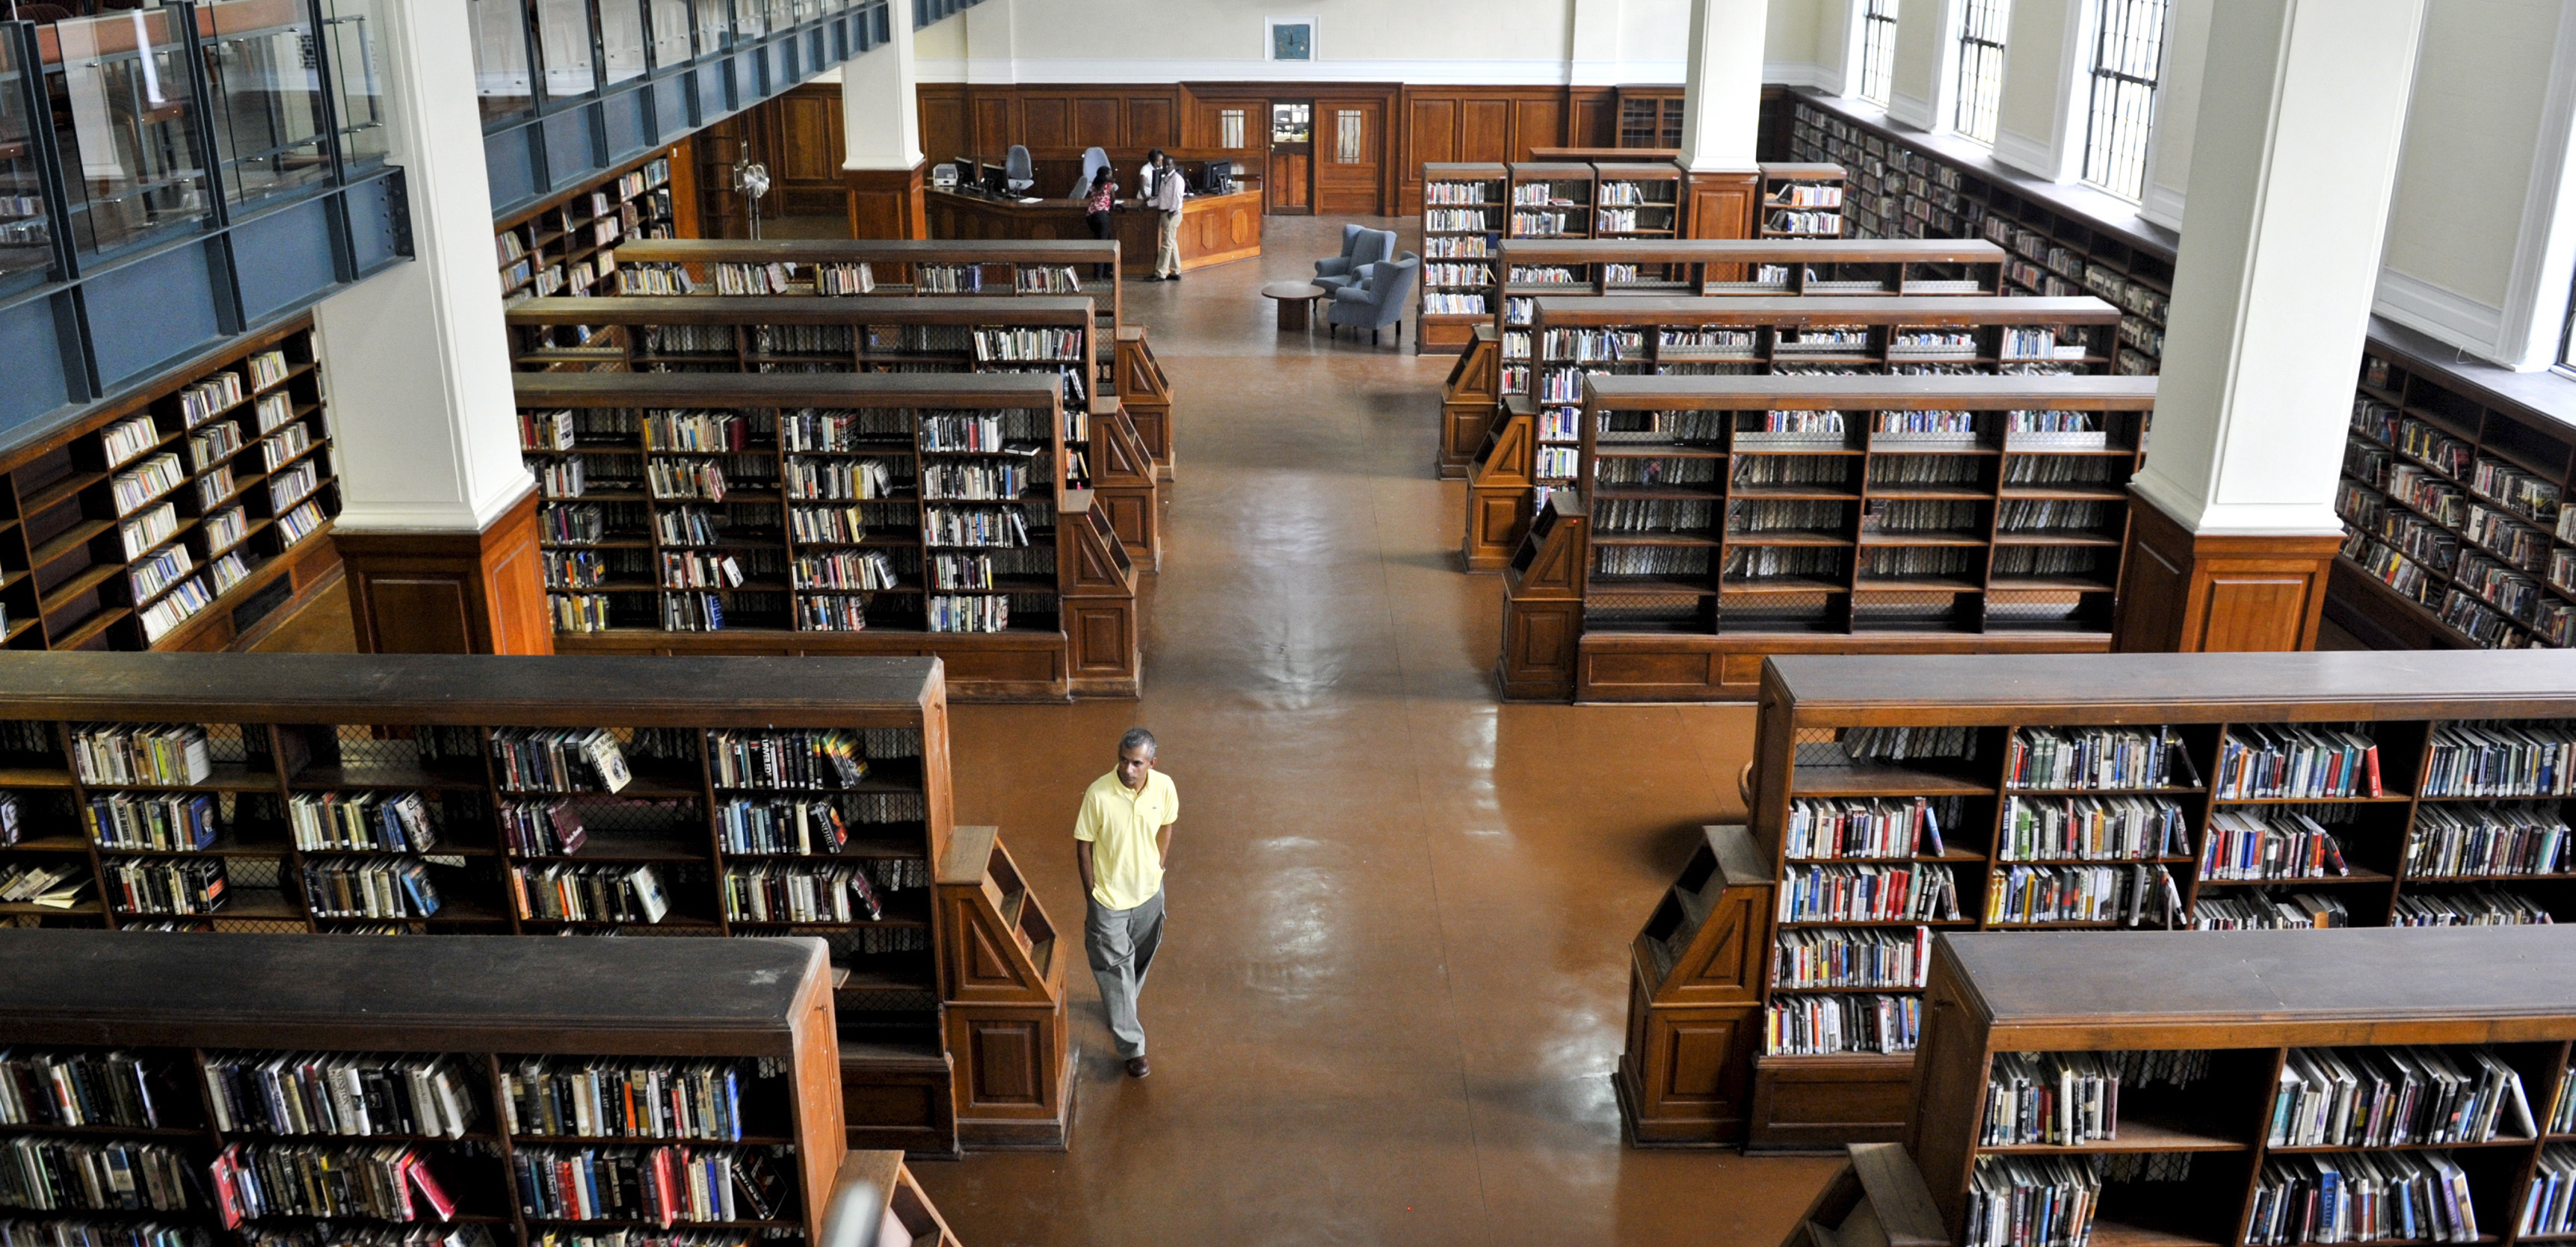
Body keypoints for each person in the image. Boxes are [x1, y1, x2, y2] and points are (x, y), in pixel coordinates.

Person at [1074, 727, 1177, 1078]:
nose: (1127, 769)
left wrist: (1159, 866)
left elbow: (1167, 824)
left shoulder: (1164, 786)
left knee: (1140, 959)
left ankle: (1121, 1008)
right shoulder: (1099, 794)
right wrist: (1092, 896)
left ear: (1151, 763)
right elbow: (1084, 844)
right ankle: (1133, 1048)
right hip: (1110, 901)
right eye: (1122, 760)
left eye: (1136, 763)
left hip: (1149, 893)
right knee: (1116, 969)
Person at [1141, 149, 1186, 282]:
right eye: (1164, 164)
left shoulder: (1177, 179)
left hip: (1172, 214)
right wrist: (1147, 204)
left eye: (1169, 165)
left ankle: (1160, 273)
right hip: (1165, 212)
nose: (1166, 167)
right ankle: (1176, 271)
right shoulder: (1165, 179)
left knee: (1166, 243)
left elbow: (1177, 199)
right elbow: (1161, 198)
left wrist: (1171, 213)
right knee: (1172, 242)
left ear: (1174, 165)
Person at [1082, 167, 1119, 280]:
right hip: (1102, 216)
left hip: (1090, 216)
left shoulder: (1094, 184)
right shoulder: (1109, 185)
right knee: (1102, 246)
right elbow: (1113, 199)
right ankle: (1098, 275)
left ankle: (1107, 271)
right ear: (1107, 175)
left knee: (1105, 241)